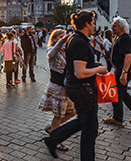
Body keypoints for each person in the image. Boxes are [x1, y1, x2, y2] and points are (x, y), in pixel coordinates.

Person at [44, 10, 107, 160]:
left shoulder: (74, 38)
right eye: (92, 23)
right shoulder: (80, 42)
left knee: (85, 122)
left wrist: (92, 64)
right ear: (86, 24)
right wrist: (99, 69)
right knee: (90, 129)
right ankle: (54, 139)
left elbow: (76, 64)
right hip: (83, 89)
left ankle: (53, 138)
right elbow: (80, 72)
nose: (94, 26)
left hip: (75, 87)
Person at [39, 29, 76, 152]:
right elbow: (51, 54)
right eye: (60, 37)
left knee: (72, 112)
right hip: (57, 87)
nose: (63, 39)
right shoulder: (51, 49)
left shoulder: (66, 51)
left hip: (66, 87)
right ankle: (55, 140)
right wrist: (62, 40)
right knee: (58, 115)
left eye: (64, 36)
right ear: (55, 39)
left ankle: (53, 128)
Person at [103, 17, 131, 126]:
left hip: (122, 69)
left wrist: (124, 73)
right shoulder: (119, 38)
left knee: (116, 94)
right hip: (120, 69)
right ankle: (117, 117)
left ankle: (117, 118)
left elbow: (128, 56)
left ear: (121, 28)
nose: (112, 28)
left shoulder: (124, 38)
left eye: (114, 26)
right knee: (123, 94)